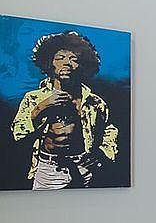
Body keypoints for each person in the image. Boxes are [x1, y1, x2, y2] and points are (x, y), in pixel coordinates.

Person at [11, 31, 118, 189]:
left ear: (81, 66)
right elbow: (17, 134)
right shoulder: (33, 99)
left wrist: (102, 153)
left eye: (74, 59)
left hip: (85, 169)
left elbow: (110, 129)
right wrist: (42, 107)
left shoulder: (95, 102)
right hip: (48, 170)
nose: (67, 63)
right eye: (60, 58)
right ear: (49, 63)